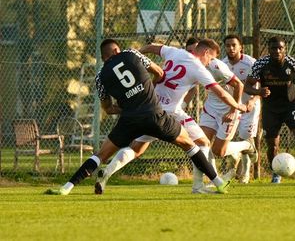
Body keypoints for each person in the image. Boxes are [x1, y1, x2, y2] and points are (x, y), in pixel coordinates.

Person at [45, 39, 234, 195]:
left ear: (103, 57)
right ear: (117, 49)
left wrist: (126, 106)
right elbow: (159, 73)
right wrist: (147, 88)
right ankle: (217, 183)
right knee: (192, 145)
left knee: (102, 155)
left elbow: (108, 108)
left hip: (129, 119)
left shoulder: (99, 77)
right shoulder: (131, 54)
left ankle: (66, 188)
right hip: (156, 113)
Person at [94, 38, 249, 194]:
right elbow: (221, 92)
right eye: (211, 57)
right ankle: (198, 186)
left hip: (150, 106)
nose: (210, 62)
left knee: (137, 149)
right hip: (170, 112)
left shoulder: (176, 52)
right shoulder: (199, 68)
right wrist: (237, 106)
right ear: (206, 52)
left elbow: (154, 47)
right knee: (202, 142)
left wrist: (134, 55)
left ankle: (106, 173)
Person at [244, 36, 295, 183]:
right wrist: (258, 92)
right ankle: (276, 173)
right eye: (274, 48)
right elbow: (247, 86)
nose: (277, 51)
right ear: (269, 49)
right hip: (270, 109)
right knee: (272, 146)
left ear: (284, 49)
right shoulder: (261, 64)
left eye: (280, 48)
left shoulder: (293, 63)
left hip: (291, 106)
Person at [197, 37, 258, 183]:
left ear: (205, 52)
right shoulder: (193, 65)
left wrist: (232, 110)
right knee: (202, 144)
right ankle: (214, 180)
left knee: (219, 151)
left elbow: (239, 85)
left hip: (230, 108)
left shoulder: (218, 67)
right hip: (211, 108)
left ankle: (247, 145)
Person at [221, 34, 261, 183]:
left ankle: (245, 173)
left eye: (234, 45)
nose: (231, 48)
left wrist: (253, 100)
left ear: (240, 47)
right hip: (231, 107)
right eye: (227, 45)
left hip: (249, 107)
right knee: (227, 138)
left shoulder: (251, 63)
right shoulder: (222, 64)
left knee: (245, 136)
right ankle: (234, 168)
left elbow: (261, 86)